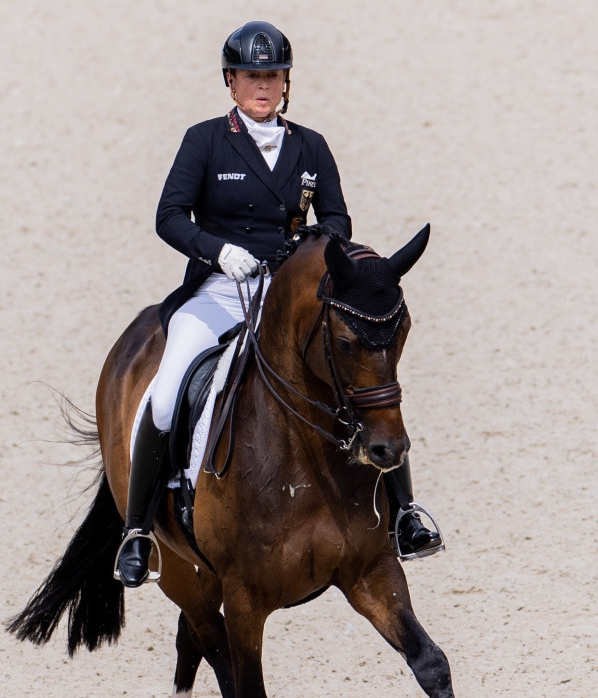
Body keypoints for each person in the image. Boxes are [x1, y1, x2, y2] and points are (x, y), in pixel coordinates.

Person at [115, 21, 443, 588]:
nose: (261, 86)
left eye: (272, 75)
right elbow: (169, 217)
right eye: (250, 76)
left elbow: (338, 219)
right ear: (231, 80)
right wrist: (219, 252)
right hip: (221, 291)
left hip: (287, 295)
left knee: (363, 374)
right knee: (167, 392)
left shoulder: (310, 146)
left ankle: (405, 514)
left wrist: (302, 249)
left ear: (285, 82)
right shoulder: (205, 140)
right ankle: (139, 532)